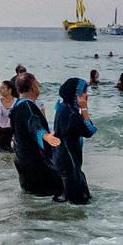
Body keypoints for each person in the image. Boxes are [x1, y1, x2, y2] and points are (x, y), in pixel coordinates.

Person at [7, 72, 60, 196]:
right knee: (54, 195)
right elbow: (34, 125)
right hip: (34, 163)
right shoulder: (28, 106)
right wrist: (46, 136)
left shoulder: (16, 106)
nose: (39, 86)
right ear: (32, 86)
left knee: (33, 201)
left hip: (21, 160)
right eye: (37, 83)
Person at [51, 77, 95, 205]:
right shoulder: (70, 113)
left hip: (62, 158)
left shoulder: (63, 108)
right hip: (69, 160)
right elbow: (90, 130)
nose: (86, 96)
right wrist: (85, 109)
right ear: (76, 94)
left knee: (66, 198)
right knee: (78, 202)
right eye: (84, 92)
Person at [0, 79, 19, 152]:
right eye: (0, 88)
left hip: (13, 131)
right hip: (0, 130)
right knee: (2, 152)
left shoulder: (17, 102)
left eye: (3, 88)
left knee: (14, 152)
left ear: (10, 90)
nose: (0, 90)